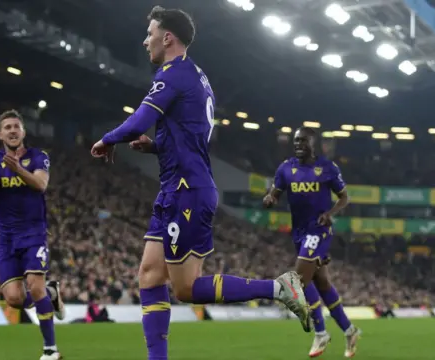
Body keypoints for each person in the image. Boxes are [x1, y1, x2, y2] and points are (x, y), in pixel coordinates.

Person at [90, 6, 310, 360]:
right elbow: (188, 136)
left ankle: (278, 287)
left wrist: (106, 139)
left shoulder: (174, 74)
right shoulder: (196, 77)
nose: (145, 40)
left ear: (168, 38)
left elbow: (140, 119)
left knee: (187, 288)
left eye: (150, 33)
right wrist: (155, 146)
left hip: (187, 191)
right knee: (148, 275)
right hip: (174, 188)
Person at [263, 127, 362, 358]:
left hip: (319, 229)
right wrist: (270, 198)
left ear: (313, 143)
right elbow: (275, 193)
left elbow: (344, 197)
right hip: (298, 232)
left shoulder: (327, 168)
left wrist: (330, 212)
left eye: (303, 141)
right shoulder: (285, 168)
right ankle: (350, 330)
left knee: (299, 279)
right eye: (296, 141)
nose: (298, 144)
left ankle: (320, 332)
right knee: (323, 284)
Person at [0, 110, 65, 360]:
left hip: (33, 234)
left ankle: (50, 350)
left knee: (34, 287)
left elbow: (41, 185)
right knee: (15, 299)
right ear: (0, 134)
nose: (13, 130)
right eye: (7, 127)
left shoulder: (39, 157)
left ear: (23, 131)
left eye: (17, 126)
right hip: (6, 238)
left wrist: (17, 169)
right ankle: (51, 294)